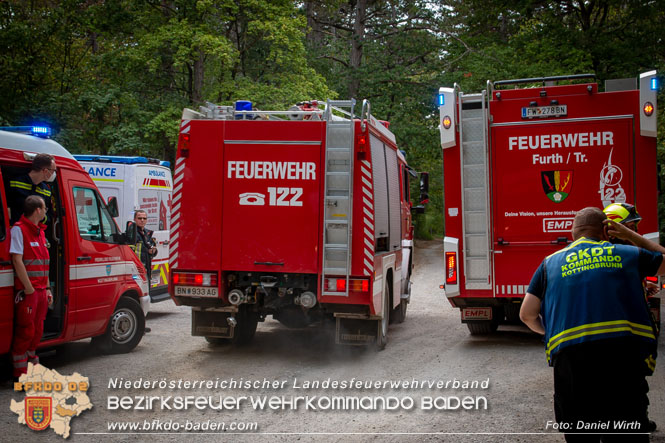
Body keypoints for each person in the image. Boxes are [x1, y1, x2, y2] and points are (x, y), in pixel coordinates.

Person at [520, 207, 664, 442]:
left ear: (573, 233)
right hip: (622, 360)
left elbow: (526, 314)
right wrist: (632, 237)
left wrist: (552, 331)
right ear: (606, 231)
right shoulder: (627, 254)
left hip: (571, 362)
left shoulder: (549, 264)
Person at [10, 195, 52, 379]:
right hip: (29, 291)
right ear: (37, 210)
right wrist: (28, 289)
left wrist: (48, 288)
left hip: (41, 290)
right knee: (25, 331)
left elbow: (44, 262)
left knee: (37, 331)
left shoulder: (40, 232)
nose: (45, 212)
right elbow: (16, 260)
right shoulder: (19, 230)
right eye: (44, 209)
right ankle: (20, 373)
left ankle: (32, 368)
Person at [8, 153, 56, 225]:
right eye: (53, 171)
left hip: (35, 233)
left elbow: (49, 216)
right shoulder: (14, 183)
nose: (54, 174)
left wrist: (41, 218)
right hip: (16, 231)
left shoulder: (46, 190)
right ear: (45, 171)